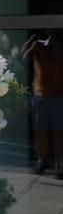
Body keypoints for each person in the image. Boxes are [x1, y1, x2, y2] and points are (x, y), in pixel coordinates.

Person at [24, 30, 63, 178]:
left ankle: (60, 165)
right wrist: (31, 45)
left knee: (59, 133)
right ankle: (42, 162)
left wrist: (56, 46)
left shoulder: (58, 50)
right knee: (40, 132)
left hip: (58, 96)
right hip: (40, 96)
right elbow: (24, 56)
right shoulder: (38, 48)